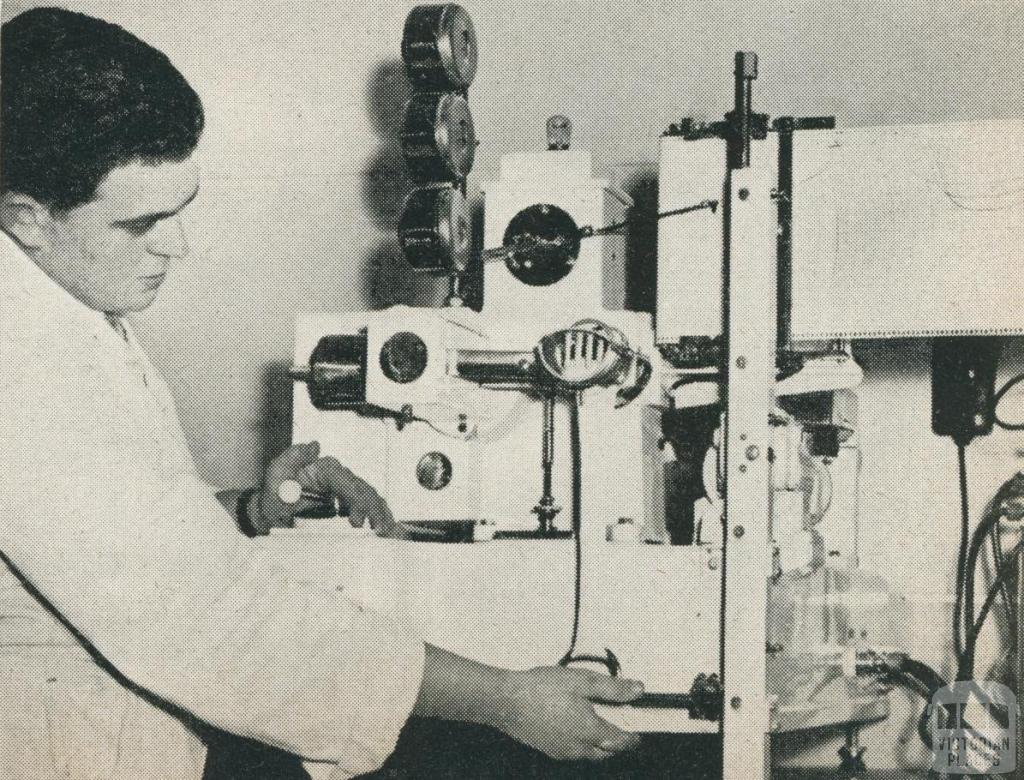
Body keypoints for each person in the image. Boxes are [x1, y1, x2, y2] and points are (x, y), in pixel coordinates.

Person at [0, 7, 644, 780]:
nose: (178, 244)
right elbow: (211, 625)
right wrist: (504, 699)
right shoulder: (21, 360)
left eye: (182, 208)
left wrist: (245, 509)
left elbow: (99, 532)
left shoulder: (62, 302)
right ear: (27, 219)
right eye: (143, 222)